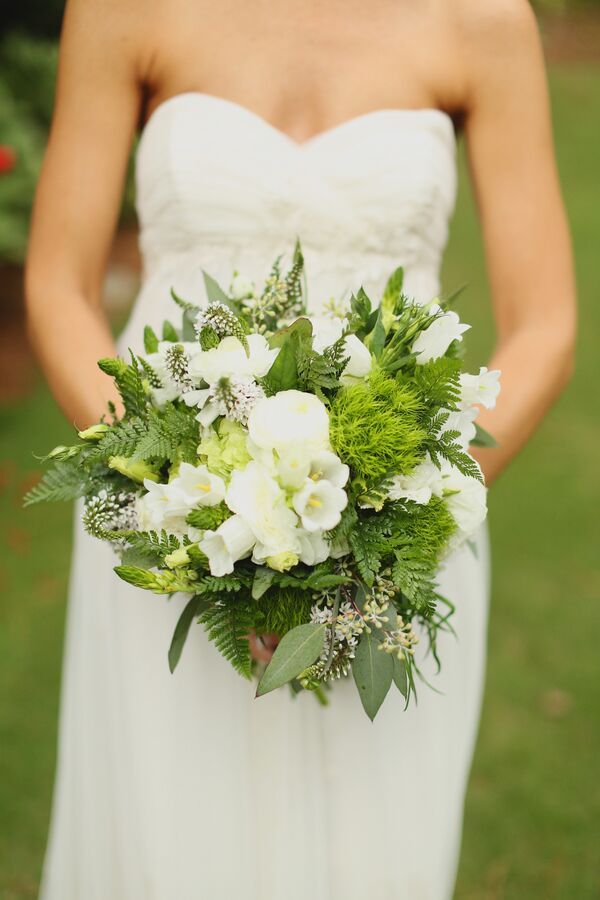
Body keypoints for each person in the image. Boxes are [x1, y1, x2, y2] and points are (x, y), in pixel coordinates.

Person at [26, 1, 576, 897]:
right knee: (171, 845)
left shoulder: (483, 20)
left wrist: (412, 505)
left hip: (395, 555)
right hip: (168, 526)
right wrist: (173, 487)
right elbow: (56, 280)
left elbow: (546, 322)